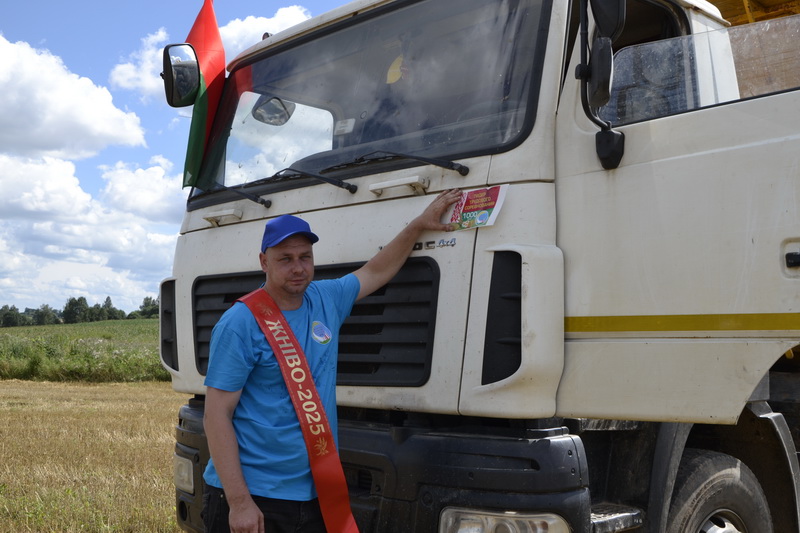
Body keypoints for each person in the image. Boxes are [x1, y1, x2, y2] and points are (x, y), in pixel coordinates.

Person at [202, 188, 463, 533]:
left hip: (315, 495)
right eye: (285, 259)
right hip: (255, 497)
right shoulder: (240, 323)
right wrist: (239, 503)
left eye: (305, 257)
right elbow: (216, 415)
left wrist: (417, 226)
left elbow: (376, 271)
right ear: (264, 261)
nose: (298, 268)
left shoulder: (326, 298)